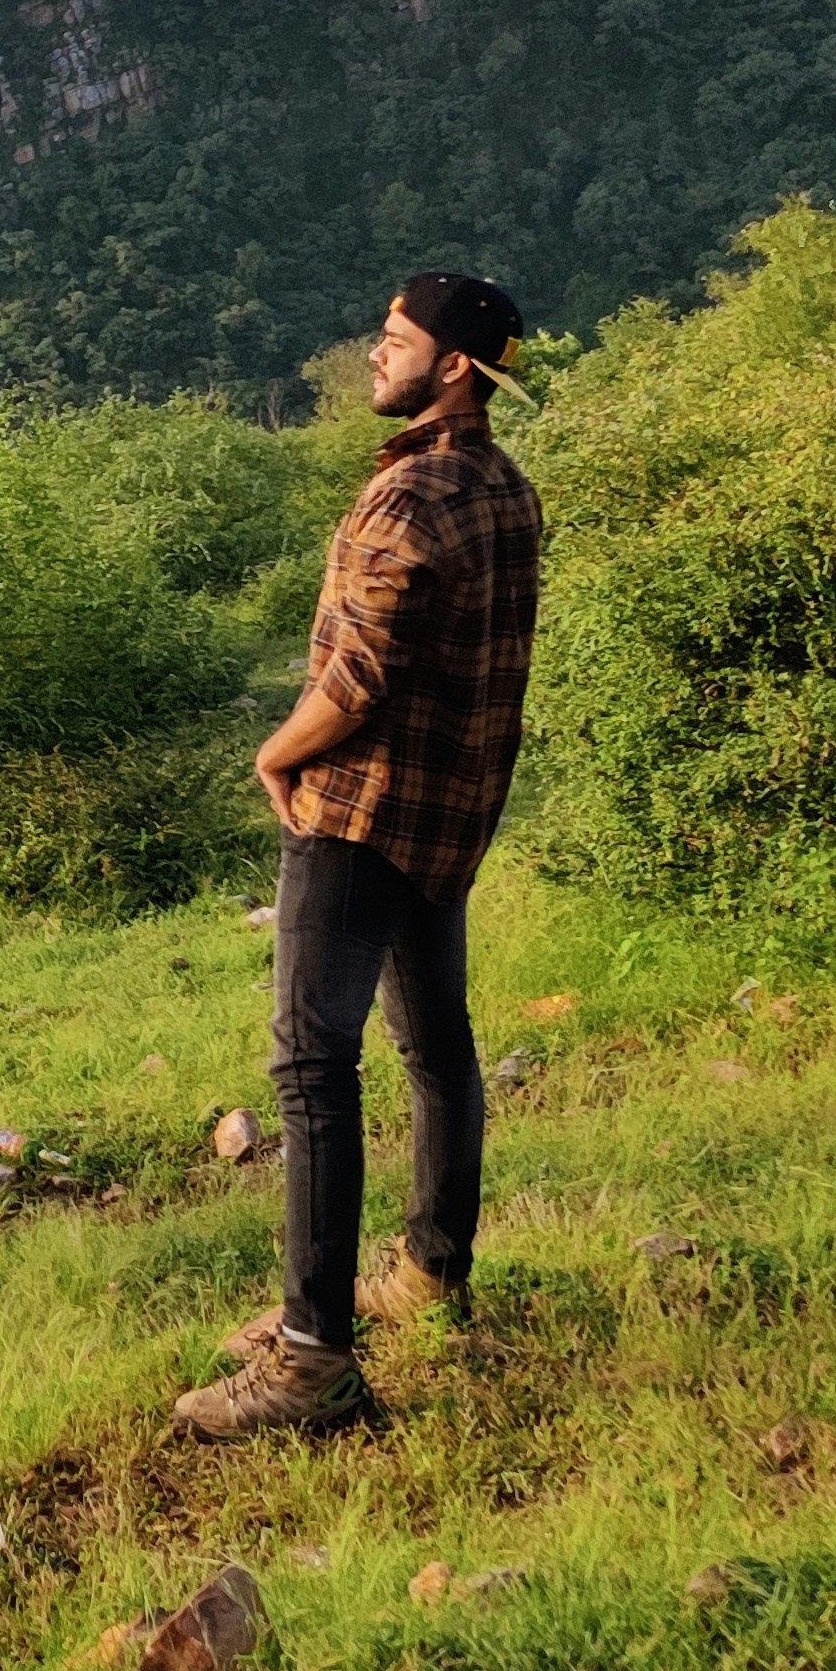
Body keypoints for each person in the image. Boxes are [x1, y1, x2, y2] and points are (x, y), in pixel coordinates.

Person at [172, 269, 541, 1441]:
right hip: (446, 814)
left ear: (449, 367)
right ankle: (431, 1271)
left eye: (392, 338)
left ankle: (311, 1363)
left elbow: (358, 678)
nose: (370, 354)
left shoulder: (409, 501)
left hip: (359, 814)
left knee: (311, 1067)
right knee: (436, 1044)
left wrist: (277, 754)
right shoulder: (501, 484)